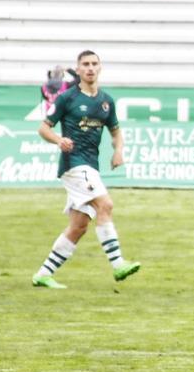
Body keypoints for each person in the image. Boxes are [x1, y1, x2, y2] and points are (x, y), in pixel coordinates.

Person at [32, 50, 141, 289]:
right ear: (78, 69)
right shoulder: (67, 98)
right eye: (85, 64)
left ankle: (43, 274)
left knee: (79, 226)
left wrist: (118, 150)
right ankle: (118, 264)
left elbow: (115, 131)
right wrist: (59, 140)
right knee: (106, 205)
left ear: (100, 67)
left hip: (90, 165)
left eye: (94, 64)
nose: (90, 68)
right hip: (73, 165)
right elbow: (43, 129)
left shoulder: (106, 101)